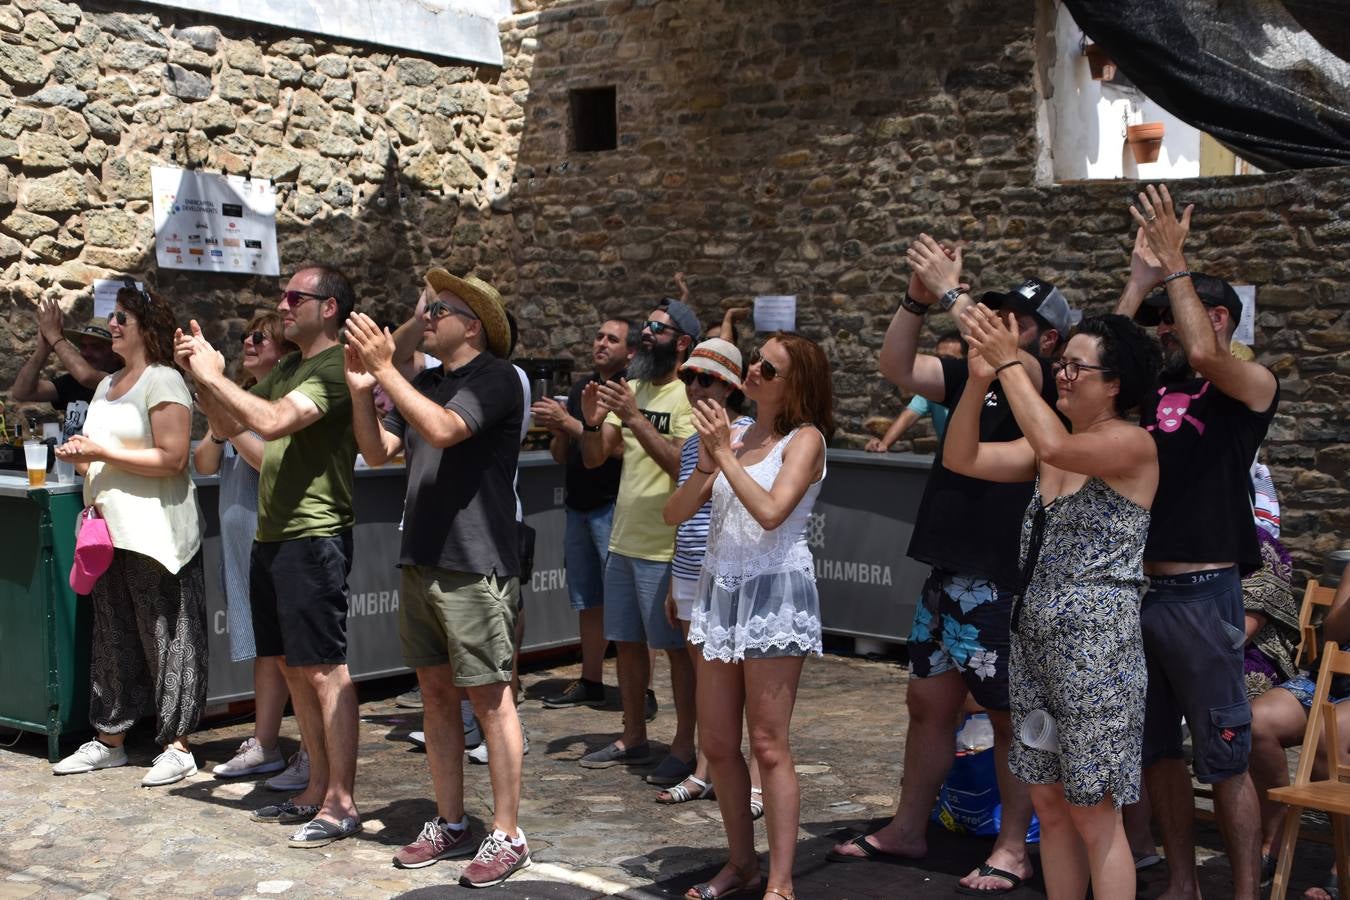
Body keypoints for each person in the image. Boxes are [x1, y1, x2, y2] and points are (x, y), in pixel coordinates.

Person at [831, 237, 1076, 894]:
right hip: (947, 568)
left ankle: (1011, 849)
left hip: (1001, 574)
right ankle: (908, 827)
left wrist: (950, 291)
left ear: (1049, 341)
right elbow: (896, 365)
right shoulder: (976, 376)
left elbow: (1003, 354)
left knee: (1006, 718)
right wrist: (917, 299)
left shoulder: (1047, 384)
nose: (997, 327)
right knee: (926, 704)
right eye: (993, 315)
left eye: (1016, 321)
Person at [945, 307, 1162, 900]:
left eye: (1075, 367)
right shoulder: (1054, 448)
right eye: (1058, 364)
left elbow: (1055, 446)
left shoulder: (1130, 443)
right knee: (1051, 802)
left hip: (1097, 649)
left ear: (1114, 383)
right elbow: (962, 458)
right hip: (1035, 636)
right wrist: (979, 381)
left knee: (1094, 811)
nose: (1061, 375)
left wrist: (1012, 360)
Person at [1115, 184, 1280, 900]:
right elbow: (1101, 364)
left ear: (1215, 317)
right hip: (1142, 593)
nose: (1160, 334)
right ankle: (1182, 883)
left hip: (1205, 595)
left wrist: (1177, 264)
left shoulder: (1246, 385)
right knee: (1157, 758)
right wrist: (1140, 282)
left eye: (1170, 320)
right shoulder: (1149, 391)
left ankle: (1243, 892)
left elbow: (1211, 359)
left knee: (1225, 759)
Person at [346, 269, 531, 888]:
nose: (425, 317)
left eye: (437, 310)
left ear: (471, 324)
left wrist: (387, 372)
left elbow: (446, 430)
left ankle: (507, 833)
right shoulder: (424, 380)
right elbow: (377, 453)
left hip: (474, 561)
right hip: (422, 554)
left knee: (490, 697)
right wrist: (358, 389)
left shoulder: (497, 378)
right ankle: (450, 822)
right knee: (434, 695)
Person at [176, 263, 361, 849]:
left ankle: (341, 800)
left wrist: (214, 377)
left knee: (324, 669)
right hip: (273, 536)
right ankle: (314, 786)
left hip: (314, 534)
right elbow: (232, 421)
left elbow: (276, 421)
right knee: (290, 666)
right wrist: (202, 378)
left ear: (327, 306)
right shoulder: (287, 366)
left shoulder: (333, 367)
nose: (282, 306)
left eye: (293, 297)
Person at [665, 333, 833, 900]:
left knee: (768, 743)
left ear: (794, 385)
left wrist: (725, 458)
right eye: (755, 360)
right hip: (721, 591)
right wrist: (706, 463)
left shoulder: (806, 441)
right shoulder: (731, 434)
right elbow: (674, 513)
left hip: (773, 592)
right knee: (715, 742)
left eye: (767, 367)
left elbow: (769, 513)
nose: (752, 370)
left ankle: (781, 881)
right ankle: (742, 863)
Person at [50, 281, 207, 788]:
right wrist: (80, 457)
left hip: (156, 533)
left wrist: (101, 454)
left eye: (121, 318)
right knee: (113, 637)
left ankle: (178, 745)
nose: (112, 325)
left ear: (146, 327)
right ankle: (110, 739)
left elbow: (174, 458)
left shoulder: (163, 380)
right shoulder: (106, 385)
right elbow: (103, 454)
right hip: (108, 533)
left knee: (167, 637)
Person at [578, 299, 699, 783]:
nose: (646, 333)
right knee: (626, 642)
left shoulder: (690, 397)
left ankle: (686, 745)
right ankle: (633, 735)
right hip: (625, 541)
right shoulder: (631, 387)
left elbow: (681, 466)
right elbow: (595, 458)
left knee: (675, 651)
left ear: (683, 343)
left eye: (658, 328)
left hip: (668, 546)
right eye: (645, 326)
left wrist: (635, 418)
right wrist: (590, 421)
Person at [193, 313, 310, 788]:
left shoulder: (286, 404)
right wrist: (220, 424)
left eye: (258, 338)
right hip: (242, 536)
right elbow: (203, 462)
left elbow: (267, 461)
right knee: (267, 647)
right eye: (244, 336)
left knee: (294, 653)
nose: (247, 342)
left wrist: (231, 419)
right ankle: (265, 744)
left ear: (281, 352)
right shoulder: (240, 398)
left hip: (275, 534)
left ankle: (309, 750)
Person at [656, 338, 761, 812]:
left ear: (730, 387)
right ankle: (706, 769)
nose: (695, 387)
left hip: (729, 570)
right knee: (707, 682)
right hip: (688, 571)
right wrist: (674, 582)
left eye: (706, 379)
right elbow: (682, 513)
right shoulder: (692, 442)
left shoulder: (749, 435)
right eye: (689, 378)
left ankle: (754, 780)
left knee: (748, 684)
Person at [532, 318, 637, 708]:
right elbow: (561, 456)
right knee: (587, 599)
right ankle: (590, 678)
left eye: (613, 339)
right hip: (577, 504)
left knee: (624, 599)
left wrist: (570, 423)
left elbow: (620, 447)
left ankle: (638, 689)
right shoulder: (581, 388)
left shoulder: (629, 392)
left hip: (612, 504)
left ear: (630, 352)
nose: (602, 344)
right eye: (598, 337)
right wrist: (558, 431)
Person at [1250, 559, 1350, 897]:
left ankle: (1344, 865)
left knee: (1329, 733)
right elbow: (1334, 634)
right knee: (1256, 722)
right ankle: (1275, 840)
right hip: (1334, 677)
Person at [11, 298, 120, 441]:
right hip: (70, 463)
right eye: (83, 347)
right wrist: (43, 350)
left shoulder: (119, 378)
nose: (87, 353)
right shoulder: (73, 381)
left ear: (114, 353)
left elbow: (86, 376)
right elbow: (22, 392)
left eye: (96, 347)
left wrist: (54, 336)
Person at [865, 331, 965, 451]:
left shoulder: (982, 390)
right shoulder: (933, 388)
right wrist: (884, 444)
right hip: (948, 461)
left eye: (949, 359)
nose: (942, 364)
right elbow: (909, 416)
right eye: (939, 359)